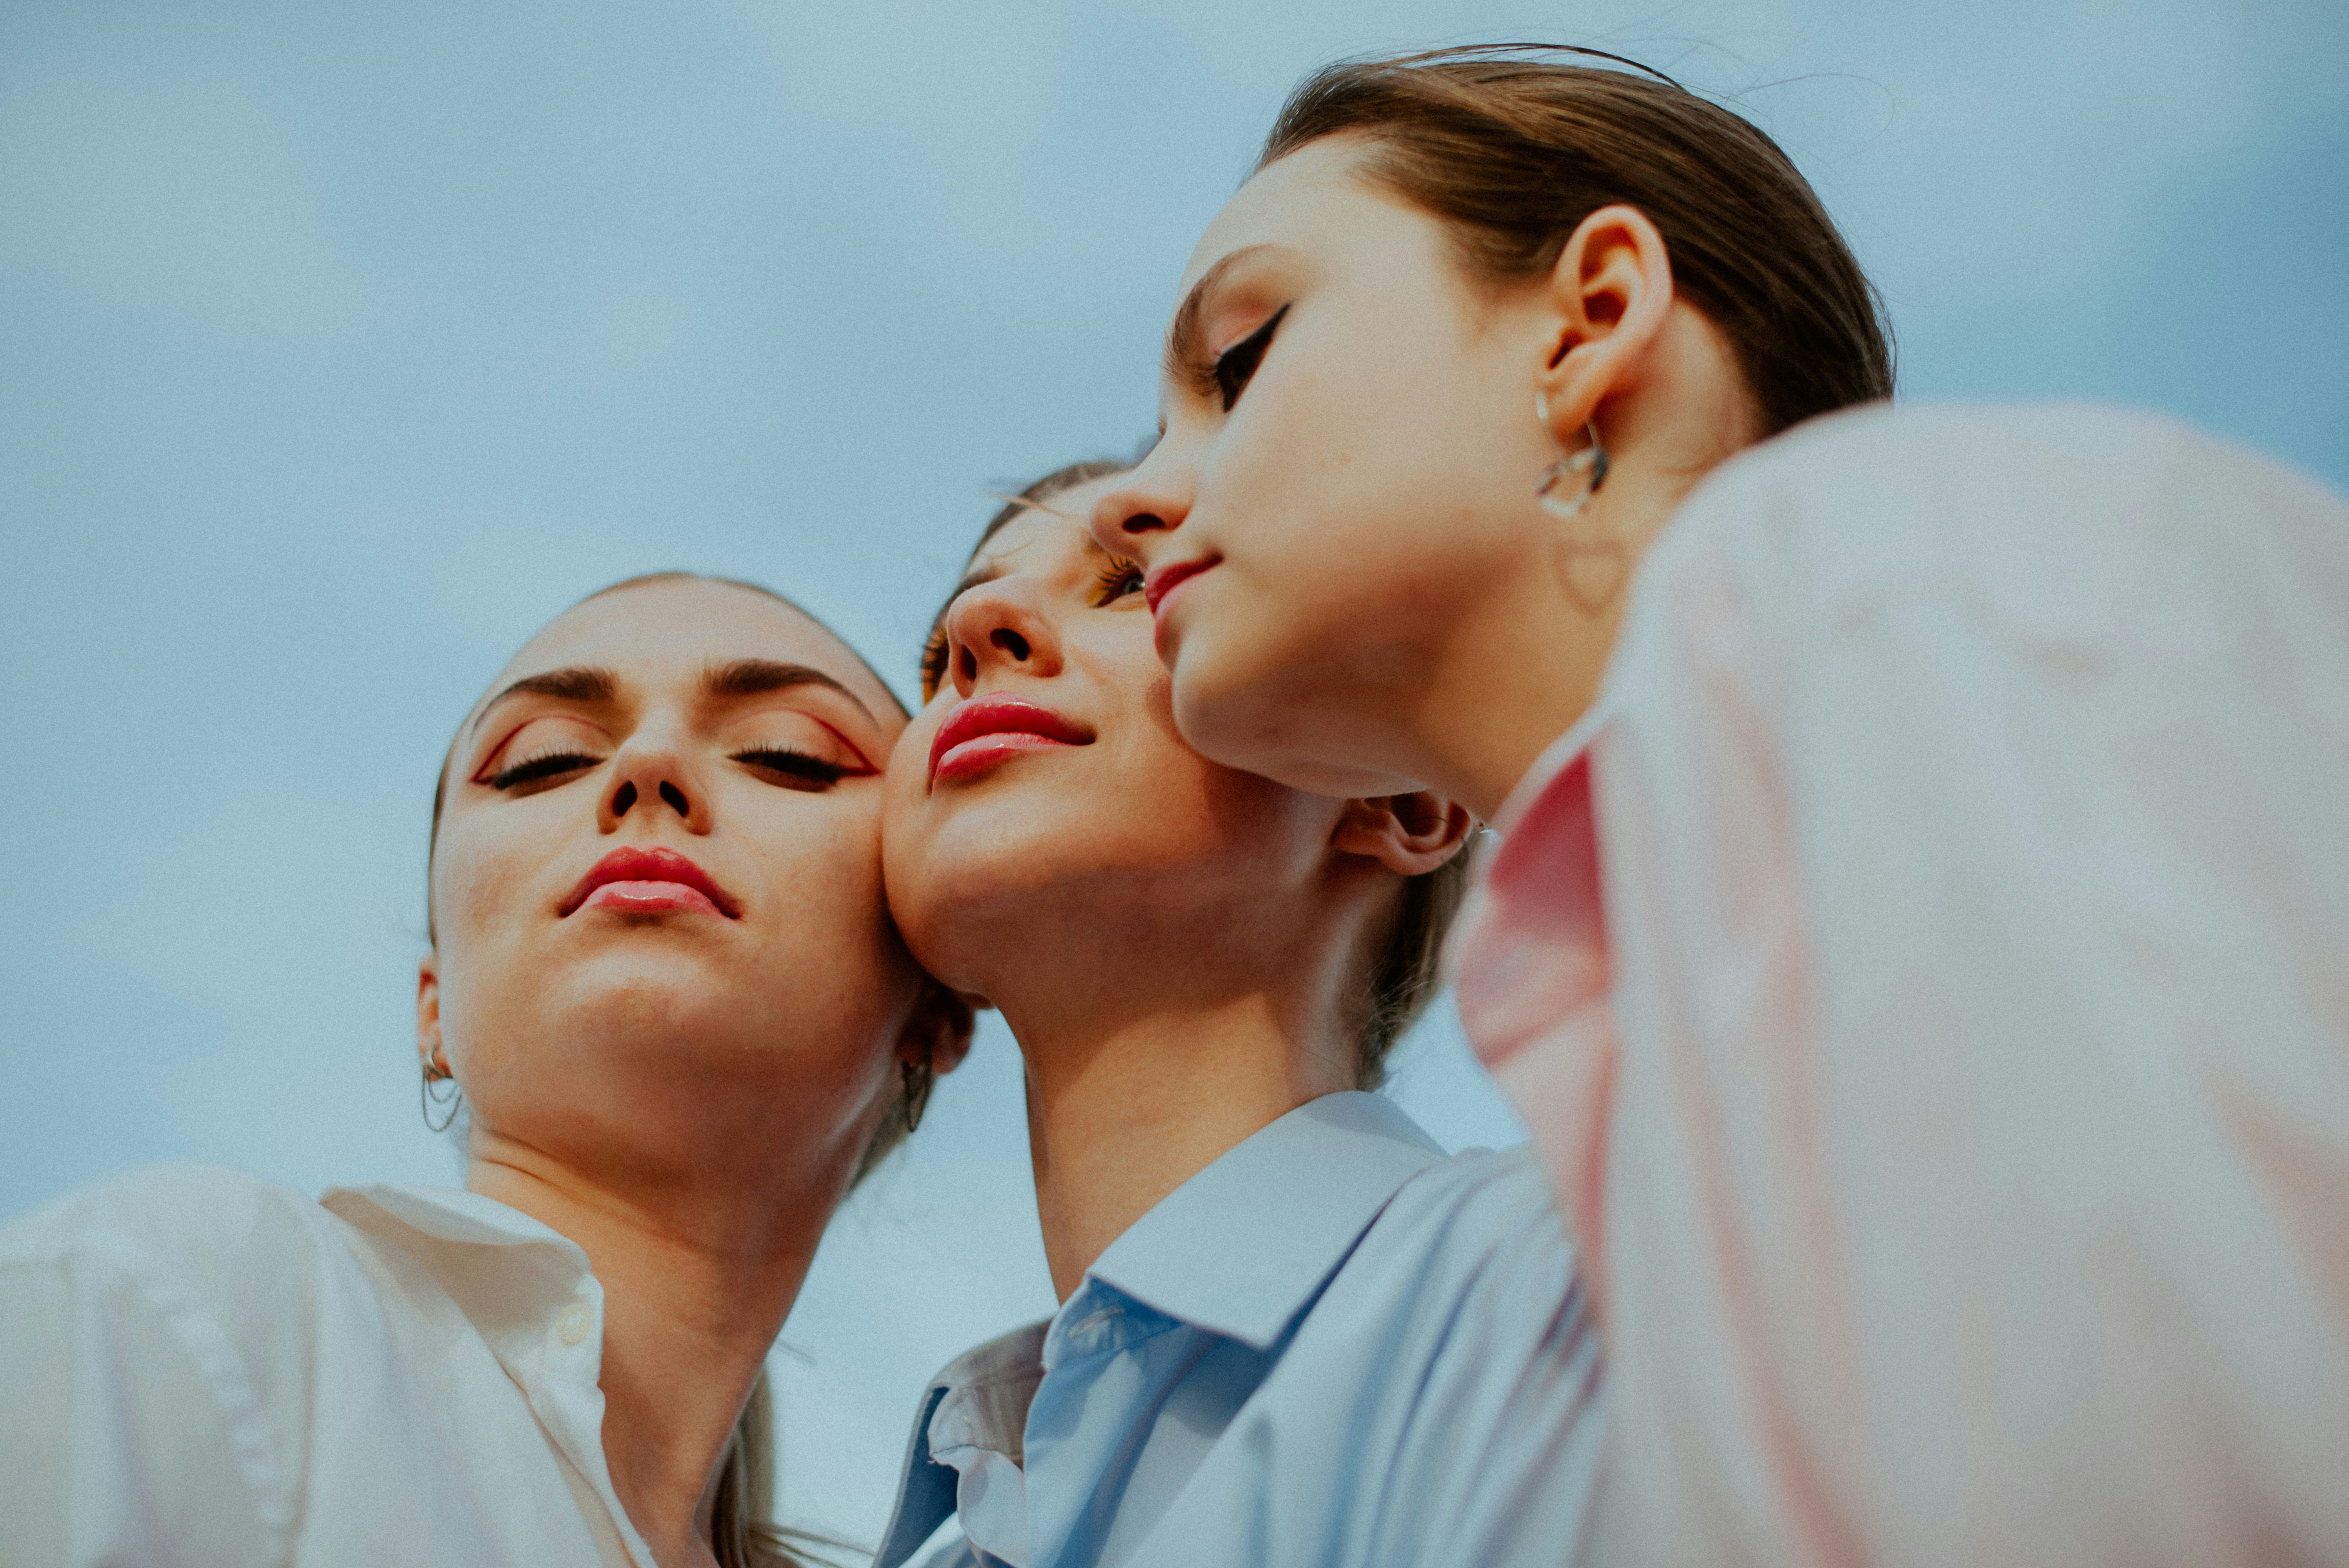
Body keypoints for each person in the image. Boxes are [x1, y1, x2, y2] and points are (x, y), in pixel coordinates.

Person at [1091, 44, 2349, 1567]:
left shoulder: (1905, 575)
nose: (1130, 496)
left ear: (1592, 319)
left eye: (1239, 360)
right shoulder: (1582, 1108)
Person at [0, 573, 970, 1568]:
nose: (646, 764)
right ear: (433, 1009)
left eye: (788, 756)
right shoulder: (178, 1308)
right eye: (540, 762)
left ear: (937, 1005)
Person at [870, 464, 1603, 1568]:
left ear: (1403, 796)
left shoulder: (1586, 1284)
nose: (976, 626)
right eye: (933, 664)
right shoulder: (961, 1534)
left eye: (1130, 585)